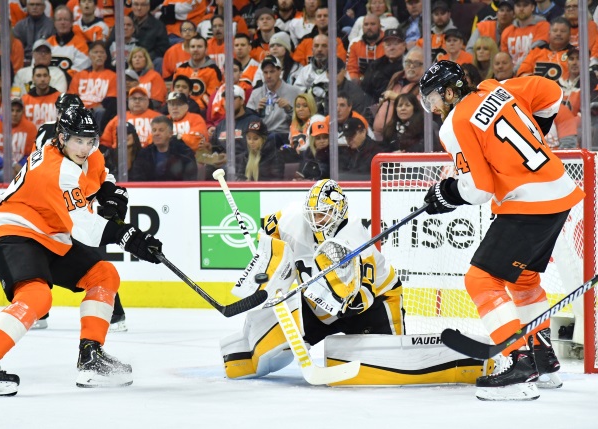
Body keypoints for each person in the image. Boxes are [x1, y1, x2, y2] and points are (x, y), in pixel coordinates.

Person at [0, 106, 163, 397]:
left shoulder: (88, 153)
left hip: (54, 235)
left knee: (104, 274)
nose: (84, 147)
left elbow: (101, 175)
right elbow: (88, 231)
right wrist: (129, 237)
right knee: (37, 297)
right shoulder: (56, 171)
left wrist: (109, 190)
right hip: (17, 233)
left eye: (89, 140)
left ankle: (91, 358)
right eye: (77, 140)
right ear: (61, 137)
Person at [418, 60, 584, 400]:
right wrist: (535, 131)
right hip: (559, 192)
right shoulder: (499, 87)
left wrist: (447, 193)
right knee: (523, 281)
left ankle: (519, 364)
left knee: (480, 280)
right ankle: (543, 360)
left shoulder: (454, 122)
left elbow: (479, 188)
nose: (434, 107)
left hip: (528, 202)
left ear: (451, 91)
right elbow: (553, 92)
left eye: (434, 97)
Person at [221, 179, 404, 379]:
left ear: (339, 211)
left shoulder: (354, 238)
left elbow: (362, 299)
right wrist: (266, 252)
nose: (316, 220)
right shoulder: (293, 219)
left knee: (389, 364)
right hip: (316, 303)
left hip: (375, 302)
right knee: (264, 348)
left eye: (322, 214)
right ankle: (243, 349)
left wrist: (336, 298)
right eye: (312, 214)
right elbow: (268, 228)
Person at [34, 93, 131, 332]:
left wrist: (106, 192)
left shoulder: (87, 141)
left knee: (94, 263)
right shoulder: (47, 135)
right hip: (52, 209)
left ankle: (115, 314)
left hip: (76, 208)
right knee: (40, 260)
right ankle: (40, 312)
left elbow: (97, 171)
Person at [129, 115, 198, 181]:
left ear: (170, 133)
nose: (156, 133)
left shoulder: (184, 152)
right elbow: (137, 178)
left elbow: (190, 178)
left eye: (161, 130)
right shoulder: (144, 154)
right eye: (154, 130)